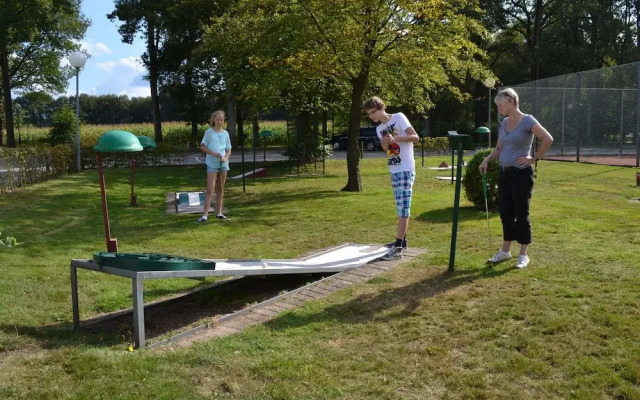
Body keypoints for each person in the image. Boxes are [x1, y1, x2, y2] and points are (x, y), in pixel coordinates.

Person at [478, 88, 554, 268]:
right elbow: (499, 148)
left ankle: (523, 254)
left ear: (511, 101)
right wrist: (486, 160)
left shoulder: (528, 120)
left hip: (521, 174)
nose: (498, 109)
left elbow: (547, 138)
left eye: (500, 105)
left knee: (521, 212)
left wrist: (533, 159)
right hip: (504, 173)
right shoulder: (504, 123)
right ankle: (505, 251)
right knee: (505, 212)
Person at [363, 96, 420, 260]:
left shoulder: (399, 117)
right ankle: (403, 241)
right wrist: (387, 142)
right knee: (400, 206)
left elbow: (415, 137)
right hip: (394, 168)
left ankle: (398, 247)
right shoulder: (379, 128)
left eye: (373, 112)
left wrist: (397, 138)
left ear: (381, 108)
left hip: (406, 168)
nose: (372, 116)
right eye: (369, 114)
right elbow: (385, 147)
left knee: (404, 208)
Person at [197, 110, 232, 222]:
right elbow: (202, 147)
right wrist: (213, 154)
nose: (219, 122)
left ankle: (219, 213)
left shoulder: (225, 134)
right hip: (212, 163)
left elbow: (228, 149)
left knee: (220, 189)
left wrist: (225, 158)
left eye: (221, 120)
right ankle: (205, 216)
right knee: (210, 189)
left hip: (223, 164)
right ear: (214, 120)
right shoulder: (209, 132)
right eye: (217, 119)